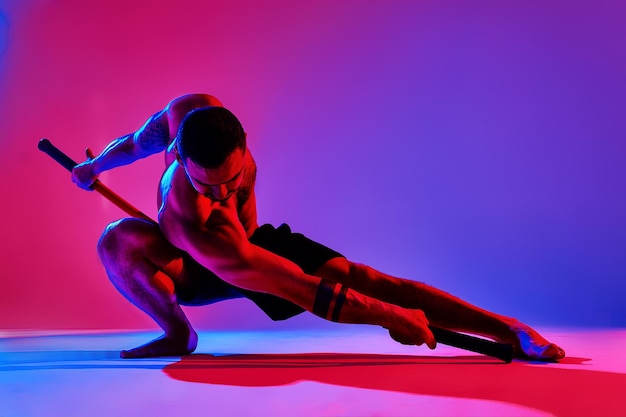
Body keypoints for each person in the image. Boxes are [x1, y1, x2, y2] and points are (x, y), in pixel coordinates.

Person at [72, 93, 565, 361]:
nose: (221, 195)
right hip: (204, 267)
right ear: (180, 156)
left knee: (369, 279)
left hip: (252, 244)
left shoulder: (190, 111)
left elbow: (134, 143)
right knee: (118, 239)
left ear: (243, 144)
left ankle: (510, 330)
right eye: (207, 187)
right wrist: (390, 318)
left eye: (231, 181)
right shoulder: (195, 224)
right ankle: (178, 333)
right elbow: (306, 291)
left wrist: (95, 169)